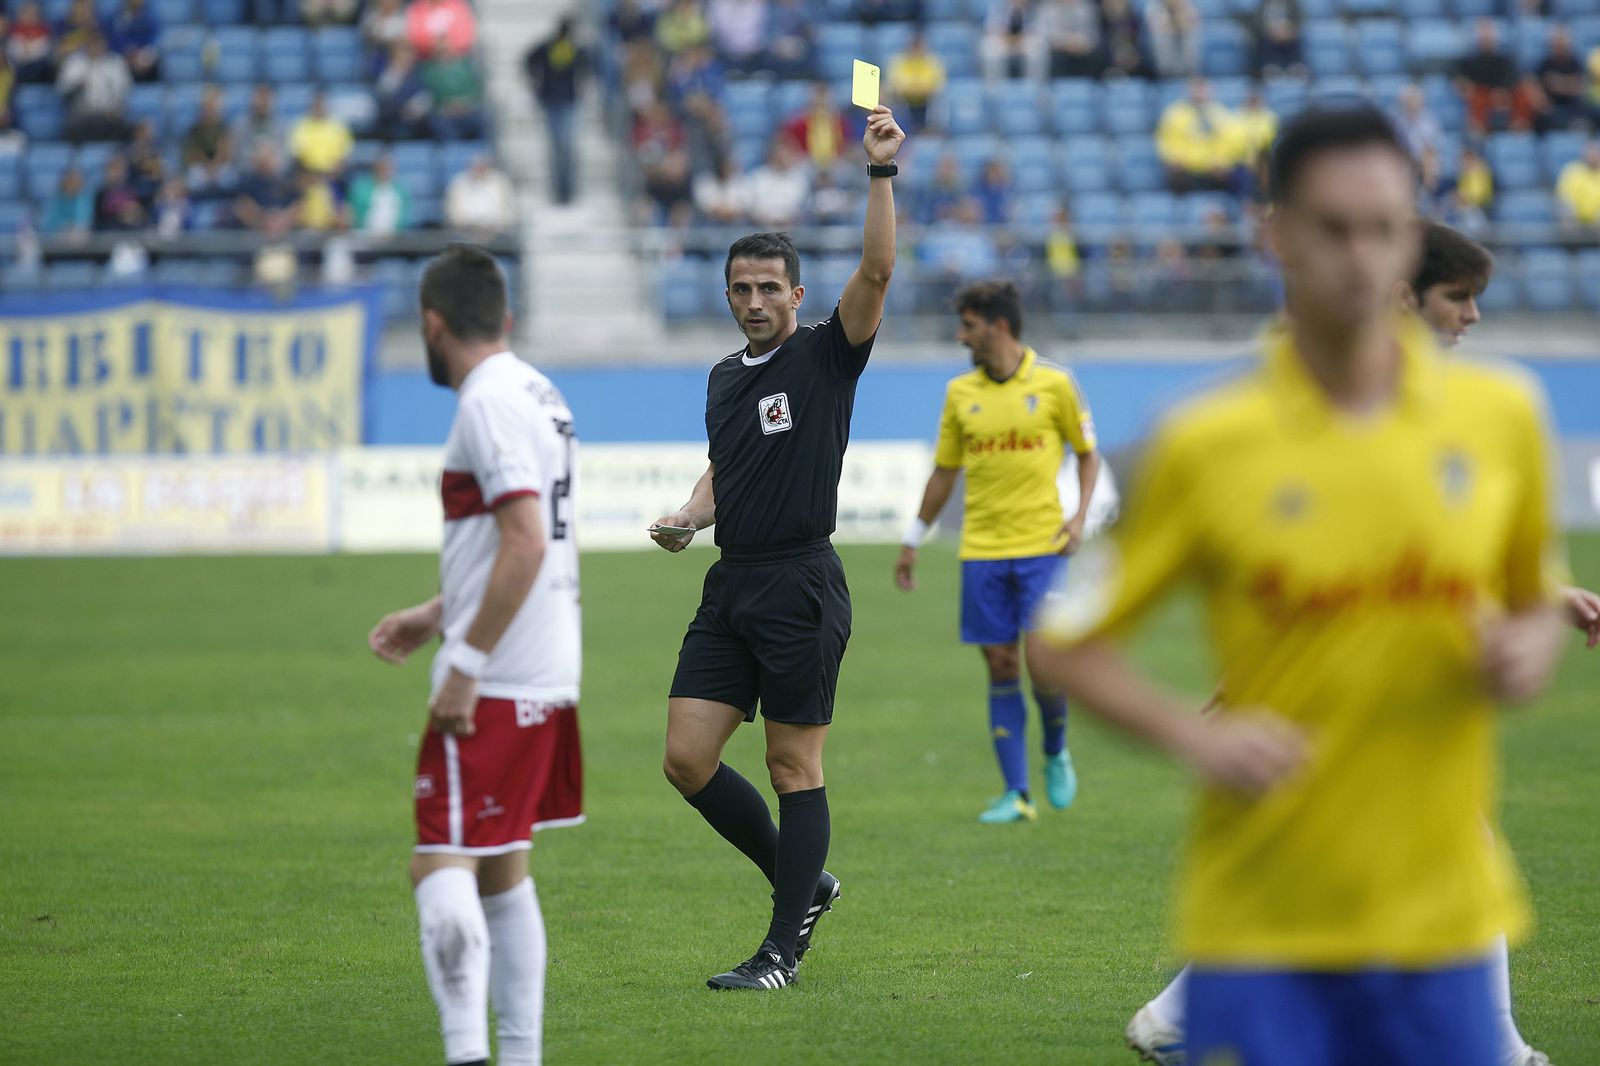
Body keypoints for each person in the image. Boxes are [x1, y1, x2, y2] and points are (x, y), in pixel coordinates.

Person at [1034, 103, 1569, 1066]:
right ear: (1274, 233)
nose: (1363, 258)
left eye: (1386, 230)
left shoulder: (1505, 419)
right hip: (1261, 923)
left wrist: (1528, 645)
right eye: (1333, 229)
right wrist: (1194, 735)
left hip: (1442, 920)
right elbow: (1064, 641)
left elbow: (1532, 595)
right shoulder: (1203, 440)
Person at [648, 105, 905, 993]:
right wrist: (691, 513)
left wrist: (879, 173)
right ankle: (808, 887)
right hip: (732, 584)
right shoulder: (723, 378)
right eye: (742, 288)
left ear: (798, 296)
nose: (755, 302)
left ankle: (781, 953)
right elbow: (725, 466)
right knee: (686, 758)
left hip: (800, 579)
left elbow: (877, 267)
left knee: (793, 765)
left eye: (770, 289)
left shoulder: (830, 357)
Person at [366, 244, 583, 1066]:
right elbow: (523, 543)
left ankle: (467, 1055)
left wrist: (464, 660)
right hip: (548, 664)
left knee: (438, 864)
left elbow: (524, 542)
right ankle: (520, 1057)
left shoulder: (486, 403)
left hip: (497, 672)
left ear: (431, 324)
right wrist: (435, 612)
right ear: (507, 317)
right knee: (501, 869)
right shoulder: (540, 392)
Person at [895, 280, 1101, 823]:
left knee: (1045, 662)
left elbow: (1087, 455)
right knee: (1001, 662)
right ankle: (1017, 793)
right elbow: (945, 471)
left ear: (999, 326)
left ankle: (1055, 751)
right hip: (982, 549)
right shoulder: (960, 393)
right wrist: (914, 537)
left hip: (1043, 546)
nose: (961, 336)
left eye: (969, 325)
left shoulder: (1056, 384)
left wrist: (1079, 517)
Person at [524, 17, 589, 206]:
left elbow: (586, 67)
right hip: (550, 102)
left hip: (570, 102)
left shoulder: (575, 49)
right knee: (556, 148)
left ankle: (568, 189)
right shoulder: (548, 47)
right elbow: (529, 60)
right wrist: (535, 81)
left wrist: (581, 83)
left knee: (567, 147)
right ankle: (558, 190)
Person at [1455, 19, 1534, 134]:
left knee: (1523, 94)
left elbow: (1512, 77)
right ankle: (1479, 129)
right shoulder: (1470, 60)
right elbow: (1462, 79)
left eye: (1489, 38)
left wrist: (1502, 90)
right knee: (1476, 98)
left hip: (1504, 93)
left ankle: (1519, 125)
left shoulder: (1505, 59)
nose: (1487, 41)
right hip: (1482, 94)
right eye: (1484, 38)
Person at [56, 31, 130, 143]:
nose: (95, 48)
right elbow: (62, 91)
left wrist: (116, 107)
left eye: (98, 44)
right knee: (72, 126)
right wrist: (78, 84)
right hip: (82, 115)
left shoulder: (115, 63)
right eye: (91, 44)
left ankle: (112, 155)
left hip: (108, 114)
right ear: (85, 45)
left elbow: (124, 90)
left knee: (121, 125)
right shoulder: (74, 63)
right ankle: (78, 157)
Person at [445, 153, 516, 239]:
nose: (479, 169)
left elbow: (509, 210)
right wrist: (470, 227)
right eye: (476, 166)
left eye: (482, 166)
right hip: (466, 233)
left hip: (496, 233)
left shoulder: (501, 182)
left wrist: (493, 226)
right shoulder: (458, 183)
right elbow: (453, 213)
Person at [886, 30, 946, 131]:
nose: (916, 51)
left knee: (938, 105)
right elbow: (896, 85)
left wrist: (914, 86)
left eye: (919, 47)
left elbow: (937, 85)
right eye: (914, 47)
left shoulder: (932, 62)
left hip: (927, 101)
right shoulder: (898, 61)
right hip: (904, 101)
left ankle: (930, 132)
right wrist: (919, 86)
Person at [289, 90, 353, 177]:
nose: (319, 108)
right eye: (316, 105)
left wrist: (334, 170)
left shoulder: (338, 126)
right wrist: (310, 173)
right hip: (308, 175)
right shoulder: (300, 126)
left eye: (322, 104)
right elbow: (296, 155)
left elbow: (346, 154)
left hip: (333, 174)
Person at [1534, 25, 1585, 131]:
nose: (1560, 45)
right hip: (1549, 107)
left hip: (1572, 106)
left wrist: (1556, 83)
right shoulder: (1545, 63)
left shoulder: (1575, 63)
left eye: (1562, 41)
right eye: (1557, 41)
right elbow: (1535, 84)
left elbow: (1576, 87)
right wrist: (1566, 83)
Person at [349, 152, 412, 235]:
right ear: (375, 168)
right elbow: (353, 213)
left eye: (389, 167)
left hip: (394, 238)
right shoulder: (361, 188)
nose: (386, 171)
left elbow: (406, 217)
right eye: (383, 167)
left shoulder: (401, 191)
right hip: (364, 235)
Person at [1555, 139, 1600, 229]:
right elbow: (1564, 197)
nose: (1592, 156)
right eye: (1590, 153)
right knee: (1566, 218)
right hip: (1575, 220)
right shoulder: (1572, 171)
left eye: (1595, 154)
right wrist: (1570, 214)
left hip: (1597, 221)